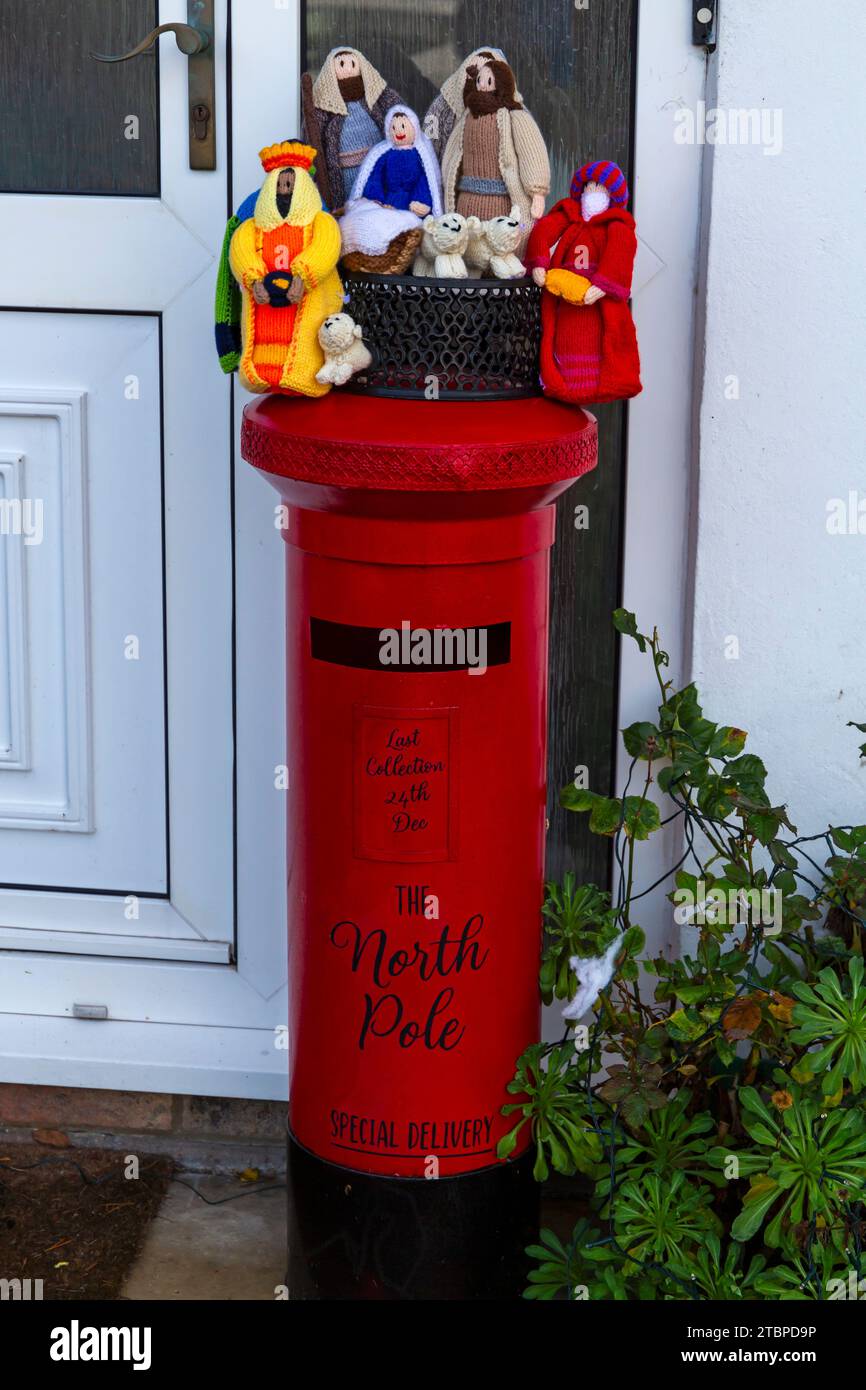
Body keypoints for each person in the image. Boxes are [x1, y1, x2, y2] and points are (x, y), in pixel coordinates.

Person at [228, 141, 343, 396]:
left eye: (289, 185)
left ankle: (303, 376)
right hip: (266, 305)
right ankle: (265, 376)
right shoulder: (251, 228)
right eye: (278, 185)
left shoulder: (320, 222)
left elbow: (326, 247)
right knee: (263, 340)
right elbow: (240, 251)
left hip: (304, 301)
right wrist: (254, 280)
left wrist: (303, 275)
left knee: (305, 341)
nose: (283, 192)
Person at [524, 159, 641, 405]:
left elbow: (621, 250)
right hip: (564, 299)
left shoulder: (617, 225)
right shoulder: (569, 215)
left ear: (612, 196)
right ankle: (562, 384)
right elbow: (543, 231)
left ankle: (591, 387)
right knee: (563, 337)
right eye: (589, 187)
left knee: (593, 340)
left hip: (593, 301)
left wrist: (602, 285)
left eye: (600, 188)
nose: (593, 193)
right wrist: (539, 262)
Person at [441, 57, 549, 254]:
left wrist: (537, 191)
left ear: (501, 84)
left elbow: (531, 152)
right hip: (467, 203)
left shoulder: (513, 116)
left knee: (500, 250)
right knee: (470, 252)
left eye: (488, 81)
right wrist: (446, 180)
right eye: (479, 79)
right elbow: (453, 152)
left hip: (501, 205)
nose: (482, 85)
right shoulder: (468, 115)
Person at [338, 107, 442, 274]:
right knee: (382, 224)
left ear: (413, 128)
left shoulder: (419, 155)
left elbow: (425, 180)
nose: (398, 132)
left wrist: (421, 201)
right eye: (393, 128)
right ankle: (383, 256)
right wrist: (374, 198)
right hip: (388, 202)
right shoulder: (384, 155)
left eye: (402, 127)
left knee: (411, 230)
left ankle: (403, 255)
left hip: (409, 203)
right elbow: (375, 177)